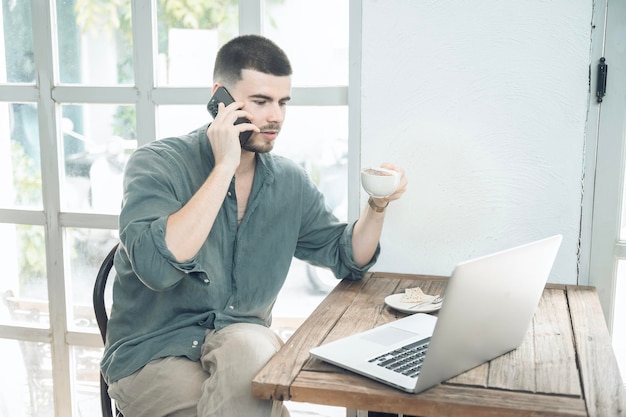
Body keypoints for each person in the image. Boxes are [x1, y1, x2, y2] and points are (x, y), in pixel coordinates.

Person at [101, 34, 407, 417]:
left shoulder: (289, 182)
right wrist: (224, 165)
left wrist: (377, 206)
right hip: (153, 354)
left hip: (242, 346)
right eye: (261, 102)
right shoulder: (157, 164)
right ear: (220, 99)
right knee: (253, 400)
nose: (275, 116)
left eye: (282, 102)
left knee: (252, 347)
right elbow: (157, 268)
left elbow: (346, 256)